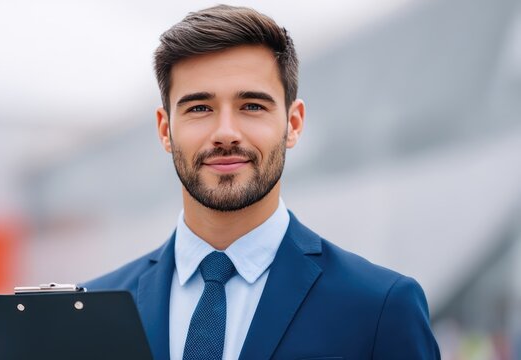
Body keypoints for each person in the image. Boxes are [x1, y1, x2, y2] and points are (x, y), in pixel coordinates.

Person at [81, 5, 440, 360]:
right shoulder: (91, 312)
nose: (225, 133)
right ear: (165, 129)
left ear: (293, 123)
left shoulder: (380, 307)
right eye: (199, 108)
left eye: (252, 106)